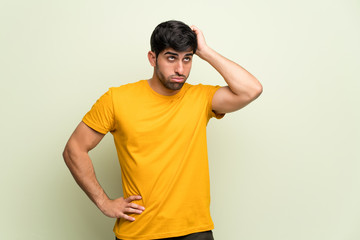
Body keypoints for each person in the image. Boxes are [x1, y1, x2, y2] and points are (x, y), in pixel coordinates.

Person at [63, 20, 262, 240]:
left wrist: (205, 51)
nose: (180, 68)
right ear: (152, 58)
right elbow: (74, 149)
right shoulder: (116, 99)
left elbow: (251, 90)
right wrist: (104, 202)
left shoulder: (201, 98)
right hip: (138, 232)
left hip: (194, 232)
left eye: (187, 59)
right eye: (171, 58)